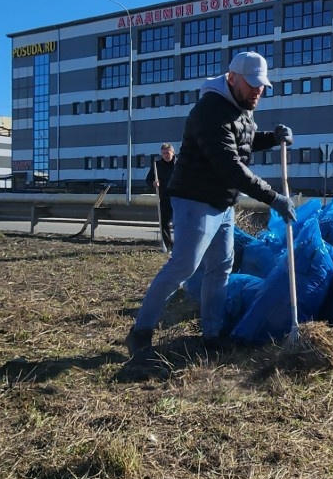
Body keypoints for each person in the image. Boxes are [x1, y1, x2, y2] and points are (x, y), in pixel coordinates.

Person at [125, 51, 296, 360]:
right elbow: (229, 165)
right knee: (184, 265)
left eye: (261, 86)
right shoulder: (210, 111)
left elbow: (245, 140)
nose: (258, 91)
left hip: (222, 202)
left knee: (221, 267)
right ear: (232, 78)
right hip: (194, 199)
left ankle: (212, 335)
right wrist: (273, 197)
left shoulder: (241, 106)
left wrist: (273, 137)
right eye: (253, 84)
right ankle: (140, 331)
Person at [146, 143, 177, 251]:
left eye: (167, 153)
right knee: (164, 223)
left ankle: (182, 246)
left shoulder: (180, 164)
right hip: (164, 198)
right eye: (163, 153)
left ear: (173, 152)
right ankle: (169, 246)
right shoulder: (157, 165)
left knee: (180, 223)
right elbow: (148, 179)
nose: (165, 155)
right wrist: (154, 183)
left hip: (179, 198)